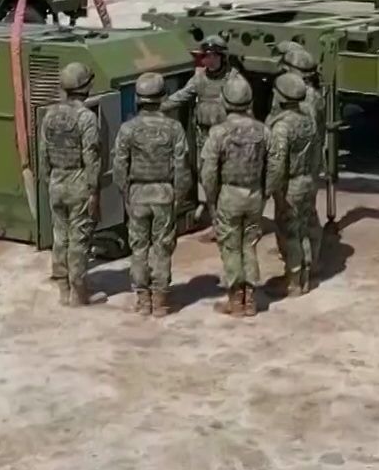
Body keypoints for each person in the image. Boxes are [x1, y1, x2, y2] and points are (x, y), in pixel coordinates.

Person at [112, 72, 191, 318]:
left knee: (139, 247)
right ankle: (160, 299)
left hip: (137, 193)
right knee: (162, 247)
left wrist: (126, 192)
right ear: (162, 97)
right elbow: (182, 167)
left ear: (138, 99)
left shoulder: (127, 129)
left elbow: (119, 168)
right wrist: (178, 196)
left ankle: (142, 298)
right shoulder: (174, 128)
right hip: (164, 194)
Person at [199, 74, 269, 318]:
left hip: (229, 194)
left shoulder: (219, 133)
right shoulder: (263, 131)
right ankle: (251, 298)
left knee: (230, 246)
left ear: (225, 101)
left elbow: (208, 171)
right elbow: (273, 167)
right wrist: (265, 192)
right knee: (249, 245)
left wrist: (211, 198)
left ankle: (235, 300)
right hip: (254, 195)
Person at [40, 61, 101, 306]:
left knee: (60, 236)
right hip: (78, 183)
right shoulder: (86, 117)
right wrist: (94, 190)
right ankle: (79, 293)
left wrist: (49, 180)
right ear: (85, 86)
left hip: (56, 181)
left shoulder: (50, 114)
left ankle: (63, 289)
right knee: (79, 238)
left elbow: (42, 153)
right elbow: (92, 156)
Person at [163, 34, 236, 229]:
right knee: (207, 180)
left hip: (227, 138)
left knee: (228, 181)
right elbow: (181, 96)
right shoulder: (199, 78)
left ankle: (229, 221)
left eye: (213, 56)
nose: (209, 60)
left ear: (222, 57)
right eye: (206, 56)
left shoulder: (233, 79)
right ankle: (216, 221)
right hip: (205, 137)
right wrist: (158, 106)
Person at [267, 71, 322, 296]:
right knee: (306, 228)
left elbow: (278, 164)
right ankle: (306, 276)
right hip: (308, 181)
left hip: (290, 187)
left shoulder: (282, 127)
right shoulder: (307, 120)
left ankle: (294, 282)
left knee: (290, 233)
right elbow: (318, 151)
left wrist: (269, 189)